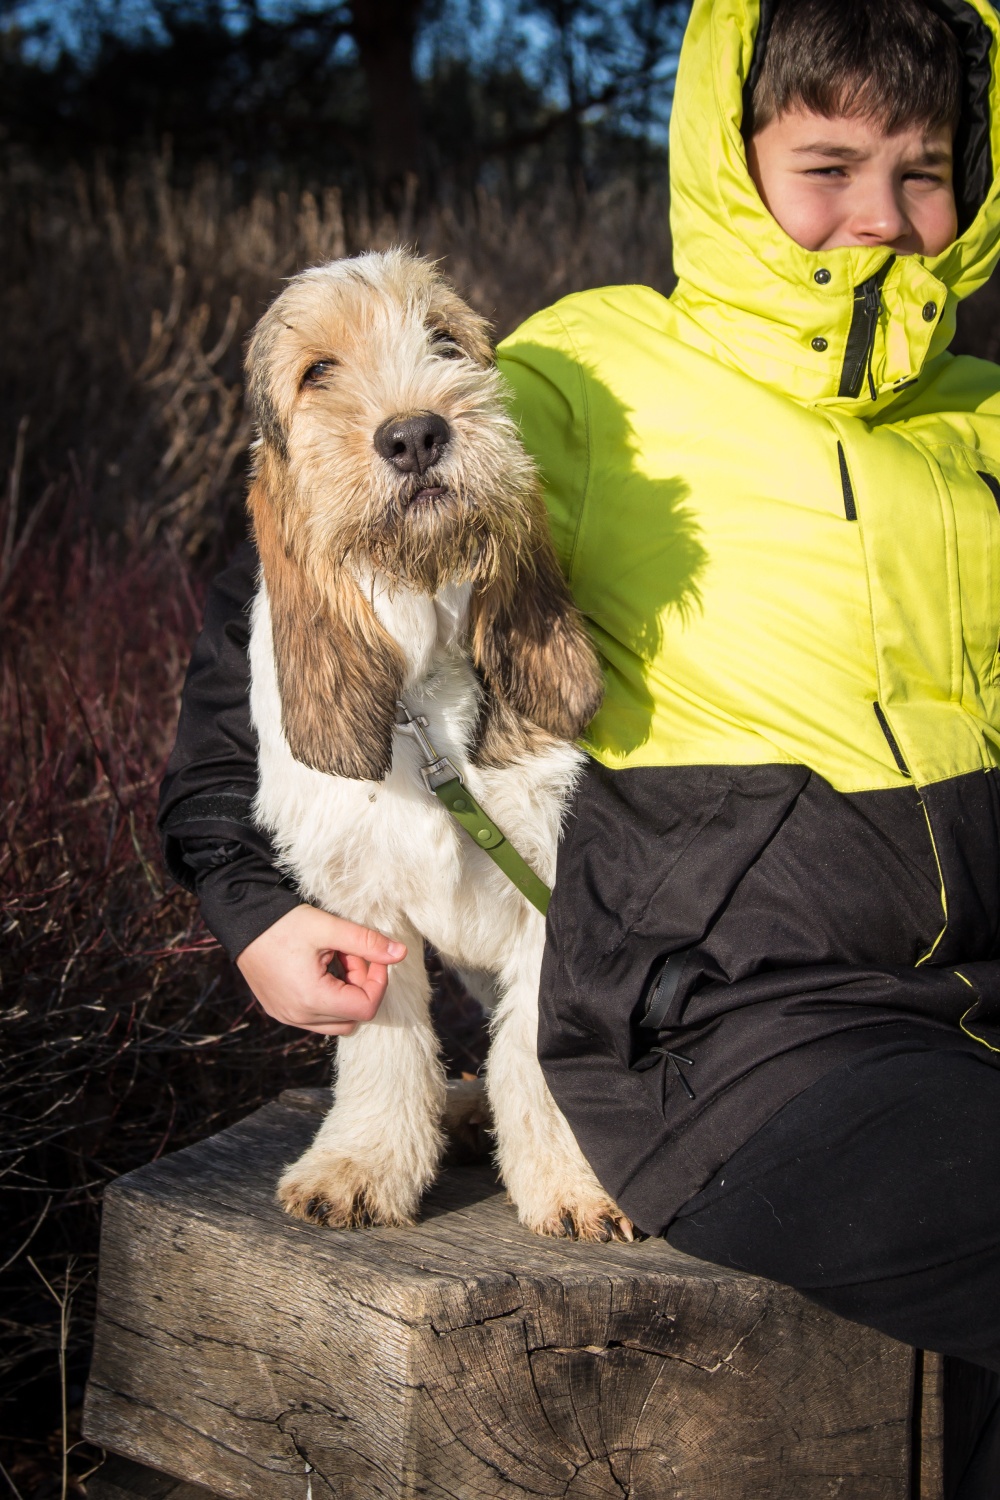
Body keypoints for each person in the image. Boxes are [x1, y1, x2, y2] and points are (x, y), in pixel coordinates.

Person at [159, 0, 1000, 1485]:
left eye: (926, 169)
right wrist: (243, 896)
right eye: (826, 163)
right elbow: (297, 554)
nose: (878, 218)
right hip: (768, 1020)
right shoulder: (599, 372)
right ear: (732, 164)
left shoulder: (985, 415)